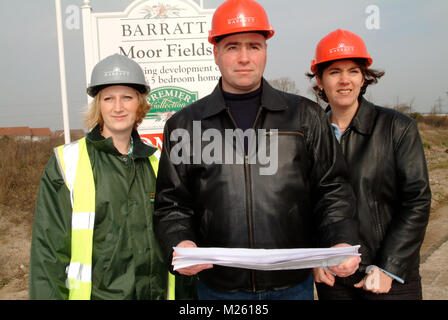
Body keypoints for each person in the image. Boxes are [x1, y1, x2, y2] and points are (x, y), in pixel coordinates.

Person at [154, 0, 360, 300]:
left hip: (292, 285)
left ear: (266, 51)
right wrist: (181, 241)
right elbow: (171, 203)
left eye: (254, 46)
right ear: (216, 53)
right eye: (232, 47)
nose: (244, 58)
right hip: (219, 286)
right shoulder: (184, 125)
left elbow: (333, 190)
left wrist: (341, 240)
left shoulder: (305, 116)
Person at [29, 53, 195, 299]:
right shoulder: (67, 163)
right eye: (108, 98)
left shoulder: (159, 163)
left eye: (127, 97)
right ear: (98, 105)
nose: (118, 107)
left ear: (139, 104)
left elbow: (177, 237)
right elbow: (48, 254)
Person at [307, 29, 431, 299]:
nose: (344, 81)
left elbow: (416, 201)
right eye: (334, 71)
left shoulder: (397, 128)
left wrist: (388, 267)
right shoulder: (309, 134)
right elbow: (302, 203)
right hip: (334, 279)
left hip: (390, 280)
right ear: (319, 80)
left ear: (364, 77)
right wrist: (314, 259)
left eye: (353, 71)